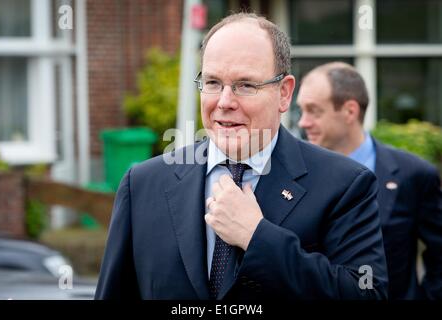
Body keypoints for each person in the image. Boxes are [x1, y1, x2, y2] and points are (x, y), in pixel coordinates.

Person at [95, 13, 388, 300]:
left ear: (284, 93)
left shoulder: (345, 184)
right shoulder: (144, 185)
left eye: (246, 85)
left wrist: (257, 237)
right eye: (212, 83)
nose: (224, 102)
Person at [296, 61, 442, 300]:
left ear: (350, 111)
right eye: (301, 110)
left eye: (314, 110)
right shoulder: (294, 174)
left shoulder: (414, 173)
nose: (303, 122)